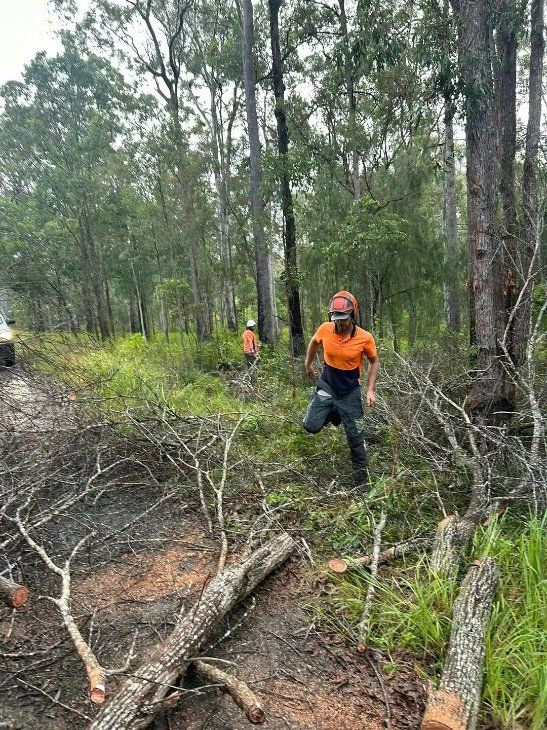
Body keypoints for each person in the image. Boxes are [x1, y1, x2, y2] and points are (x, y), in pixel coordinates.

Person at [303, 291, 379, 491]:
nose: (340, 324)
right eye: (336, 319)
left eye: (344, 319)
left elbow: (374, 361)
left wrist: (370, 390)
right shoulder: (325, 329)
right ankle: (334, 412)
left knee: (355, 437)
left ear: (353, 315)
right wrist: (308, 364)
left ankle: (362, 484)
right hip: (327, 386)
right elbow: (313, 343)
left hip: (350, 392)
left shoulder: (365, 338)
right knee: (311, 426)